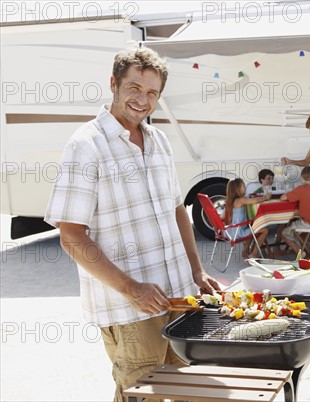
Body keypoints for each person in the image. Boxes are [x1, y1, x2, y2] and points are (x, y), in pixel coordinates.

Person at [44, 47, 221, 401]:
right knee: (143, 396)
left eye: (152, 93)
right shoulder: (86, 146)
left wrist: (197, 272)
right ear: (113, 83)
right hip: (129, 311)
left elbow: (176, 211)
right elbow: (71, 235)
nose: (143, 100)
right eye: (134, 88)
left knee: (192, 391)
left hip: (179, 298)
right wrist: (132, 288)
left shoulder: (159, 141)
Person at [280, 166, 310, 256]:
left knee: (284, 233)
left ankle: (299, 251)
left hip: (308, 223)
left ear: (302, 177)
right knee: (302, 232)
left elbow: (283, 198)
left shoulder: (302, 189)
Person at [224, 178, 271, 258]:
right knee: (264, 229)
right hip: (239, 233)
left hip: (232, 231)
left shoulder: (230, 200)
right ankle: (254, 253)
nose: (245, 188)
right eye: (243, 186)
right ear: (237, 189)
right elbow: (255, 200)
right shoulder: (240, 200)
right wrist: (266, 197)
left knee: (254, 226)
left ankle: (246, 250)